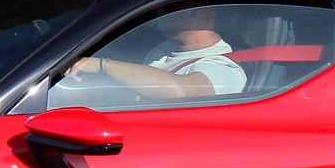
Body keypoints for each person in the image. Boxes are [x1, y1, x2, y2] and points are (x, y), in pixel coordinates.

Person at [61, 6, 246, 102]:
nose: (161, 10)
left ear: (205, 18)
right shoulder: (164, 50)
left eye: (173, 7)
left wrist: (103, 65)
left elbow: (181, 92)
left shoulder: (224, 67)